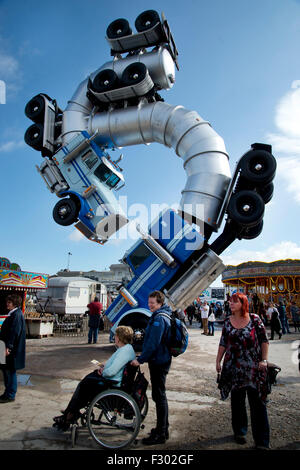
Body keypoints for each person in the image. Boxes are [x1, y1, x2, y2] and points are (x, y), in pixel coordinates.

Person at [53, 325, 135, 429]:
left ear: (119, 337)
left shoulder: (124, 351)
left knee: (84, 385)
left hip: (112, 382)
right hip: (113, 379)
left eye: (116, 335)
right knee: (86, 382)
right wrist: (103, 368)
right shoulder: (126, 349)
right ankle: (71, 411)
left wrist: (103, 371)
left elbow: (112, 371)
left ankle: (70, 413)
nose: (114, 337)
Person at [216, 292, 270, 449]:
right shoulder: (227, 322)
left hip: (253, 368)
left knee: (258, 404)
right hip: (234, 367)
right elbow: (223, 343)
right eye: (230, 302)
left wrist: (264, 360)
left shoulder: (254, 319)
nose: (231, 304)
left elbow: (264, 341)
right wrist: (218, 360)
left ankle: (262, 441)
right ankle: (240, 432)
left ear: (243, 303)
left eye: (235, 302)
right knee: (237, 402)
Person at [131, 290, 172, 446]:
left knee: (159, 396)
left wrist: (140, 360)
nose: (149, 306)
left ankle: (161, 434)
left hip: (159, 361)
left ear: (160, 303)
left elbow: (152, 344)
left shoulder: (159, 319)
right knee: (159, 395)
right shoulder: (162, 315)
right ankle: (163, 429)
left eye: (152, 303)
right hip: (162, 359)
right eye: (149, 303)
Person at [0, 294, 26, 403]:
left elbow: (14, 333)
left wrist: (8, 347)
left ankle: (10, 394)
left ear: (14, 303)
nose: (7, 304)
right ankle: (7, 392)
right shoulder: (14, 314)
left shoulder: (16, 315)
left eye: (9, 302)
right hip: (6, 346)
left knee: (10, 371)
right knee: (6, 371)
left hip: (10, 349)